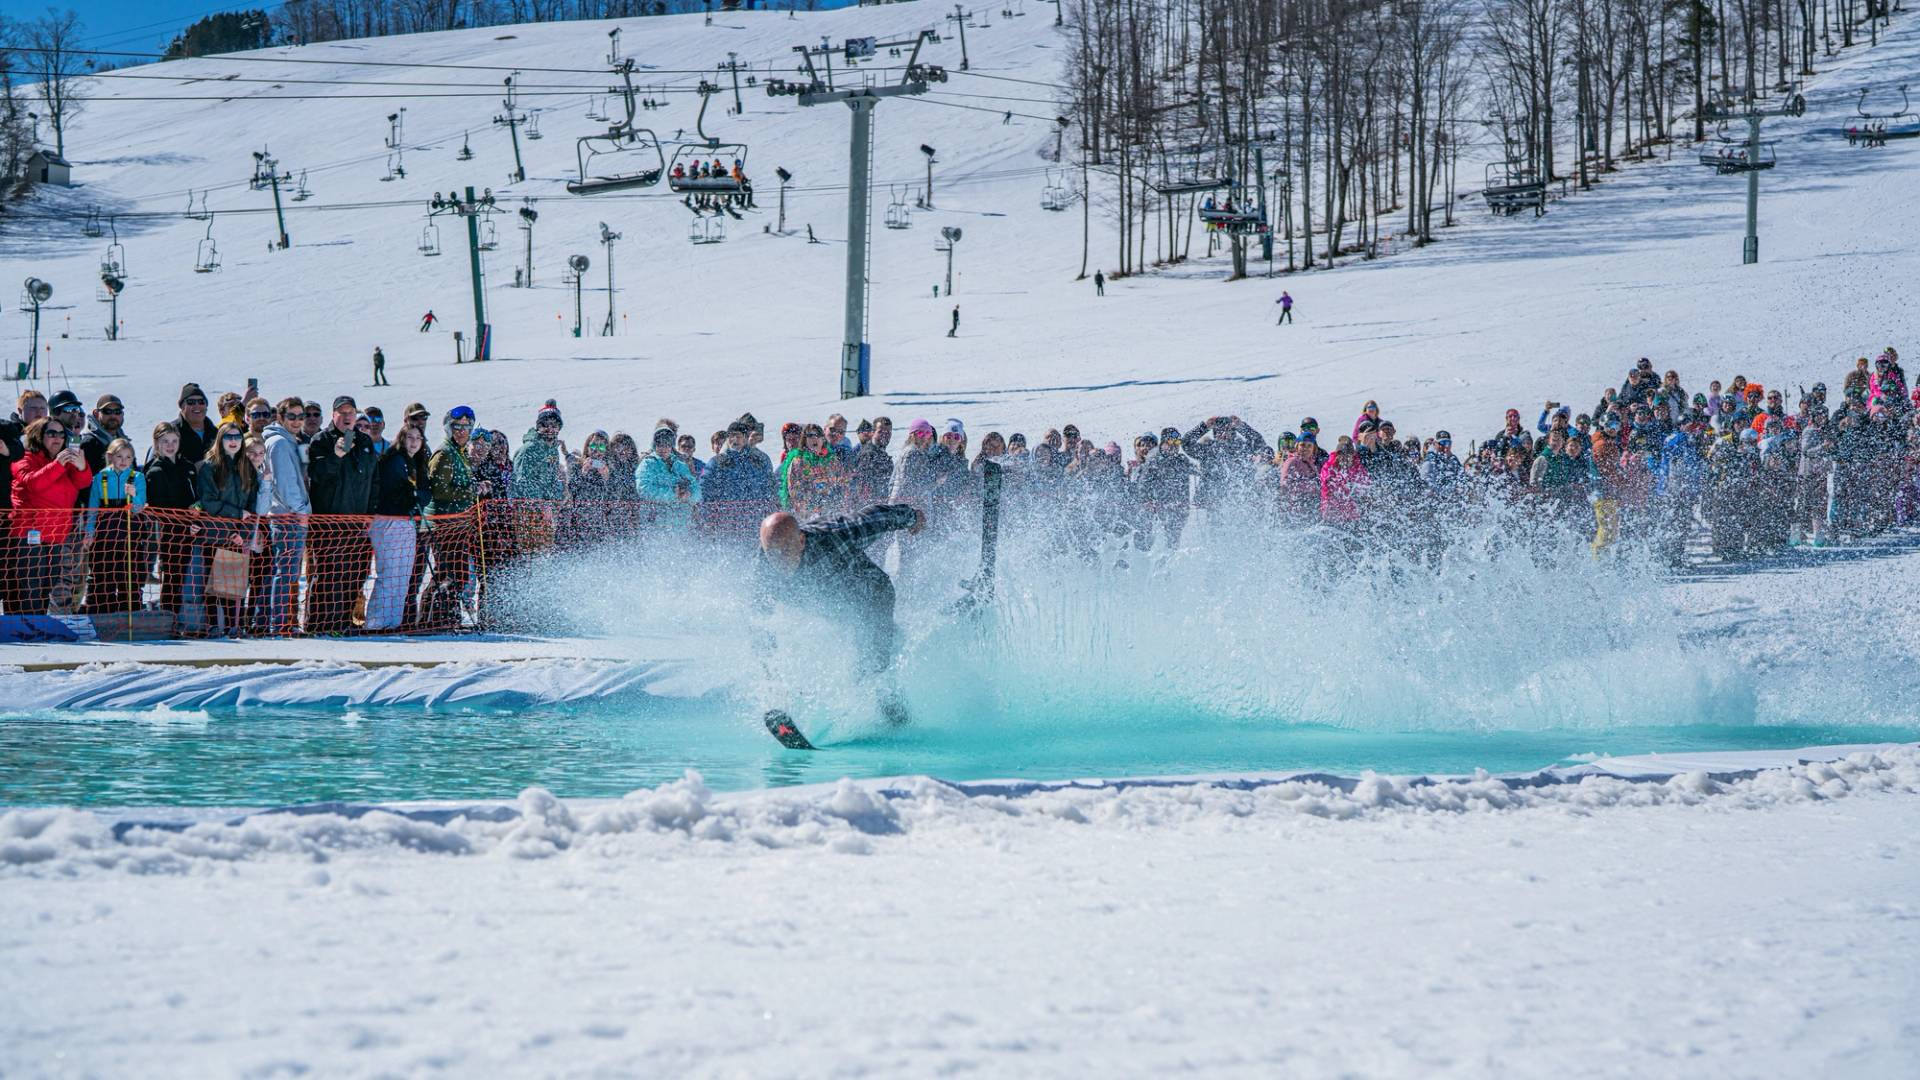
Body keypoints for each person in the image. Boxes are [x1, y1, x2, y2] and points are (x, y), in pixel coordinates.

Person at [757, 502, 925, 689]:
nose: (780, 560)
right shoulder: (763, 571)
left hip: (873, 595)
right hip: (836, 607)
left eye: (786, 550)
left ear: (802, 541)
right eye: (773, 554)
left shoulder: (835, 537)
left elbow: (875, 517)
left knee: (875, 658)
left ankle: (888, 698)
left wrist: (912, 518)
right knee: (846, 645)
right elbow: (759, 621)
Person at [305, 396, 378, 633]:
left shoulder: (364, 441)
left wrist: (371, 513)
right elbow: (316, 475)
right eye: (342, 412)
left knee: (354, 575)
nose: (347, 417)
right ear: (333, 414)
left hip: (357, 523)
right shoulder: (321, 440)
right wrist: (335, 457)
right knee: (327, 576)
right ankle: (319, 624)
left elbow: (373, 480)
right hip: (329, 523)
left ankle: (345, 622)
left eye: (351, 412)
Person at [10, 416, 93, 614]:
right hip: (29, 534)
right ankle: (27, 629)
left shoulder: (66, 462)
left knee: (47, 586)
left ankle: (38, 627)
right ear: (39, 436)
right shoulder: (25, 458)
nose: (57, 438)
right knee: (30, 587)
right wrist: (57, 464)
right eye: (51, 433)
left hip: (56, 534)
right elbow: (34, 484)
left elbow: (82, 483)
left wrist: (82, 466)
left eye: (61, 434)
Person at [193, 423, 258, 637]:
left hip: (237, 534)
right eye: (228, 436)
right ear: (220, 440)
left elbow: (252, 506)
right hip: (214, 532)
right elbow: (209, 502)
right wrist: (236, 514)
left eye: (237, 437)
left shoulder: (246, 467)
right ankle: (213, 624)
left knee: (232, 584)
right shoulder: (210, 467)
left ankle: (233, 625)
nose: (233, 441)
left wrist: (244, 533)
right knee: (214, 583)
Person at [365, 424, 430, 631]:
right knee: (390, 573)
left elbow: (418, 492)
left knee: (402, 574)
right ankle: (377, 622)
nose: (413, 442)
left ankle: (393, 621)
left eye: (418, 438)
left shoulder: (413, 462)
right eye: (409, 437)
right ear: (401, 439)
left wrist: (418, 496)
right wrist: (416, 496)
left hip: (405, 520)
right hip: (389, 519)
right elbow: (399, 492)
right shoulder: (394, 460)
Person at [81, 437, 147, 615]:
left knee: (130, 575)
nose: (123, 461)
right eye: (119, 456)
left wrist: (134, 496)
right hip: (105, 534)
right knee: (103, 575)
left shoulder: (138, 477)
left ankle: (131, 611)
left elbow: (140, 508)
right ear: (111, 457)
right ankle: (101, 612)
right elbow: (93, 508)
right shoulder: (100, 477)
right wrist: (89, 531)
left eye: (128, 457)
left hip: (129, 534)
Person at [261, 399, 311, 635]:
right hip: (288, 516)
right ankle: (279, 623)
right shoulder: (280, 443)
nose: (297, 421)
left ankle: (283, 621)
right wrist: (300, 511)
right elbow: (286, 483)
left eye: (300, 416)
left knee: (288, 571)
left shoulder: (289, 441)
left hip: (291, 514)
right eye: (291, 416)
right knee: (286, 572)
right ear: (280, 417)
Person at [637, 426, 702, 531]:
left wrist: (689, 495)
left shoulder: (680, 464)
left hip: (681, 524)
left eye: (667, 444)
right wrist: (673, 494)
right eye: (660, 444)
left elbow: (696, 488)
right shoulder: (647, 464)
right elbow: (644, 489)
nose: (663, 448)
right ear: (654, 445)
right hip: (654, 523)